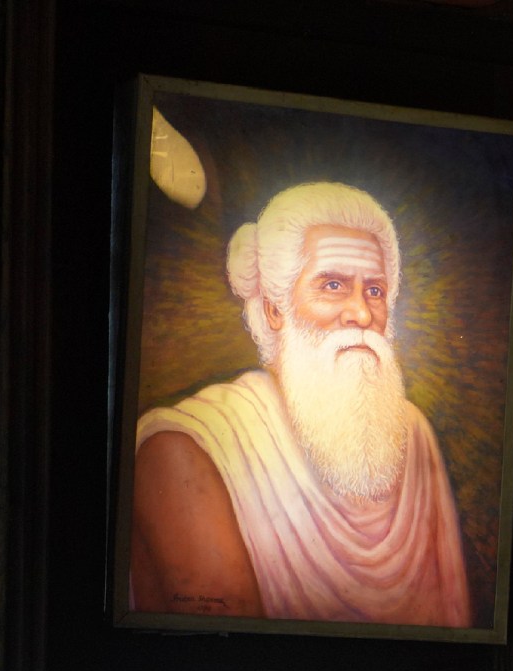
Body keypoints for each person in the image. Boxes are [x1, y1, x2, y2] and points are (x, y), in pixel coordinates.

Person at [132, 183, 471, 628]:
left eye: (374, 291)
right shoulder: (186, 448)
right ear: (275, 310)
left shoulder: (414, 431)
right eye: (333, 285)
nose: (362, 313)